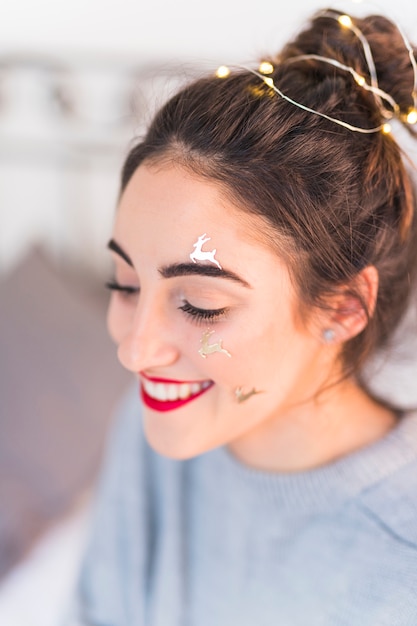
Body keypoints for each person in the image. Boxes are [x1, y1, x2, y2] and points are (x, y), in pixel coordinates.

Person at [70, 7, 417, 625]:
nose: (136, 350)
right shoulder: (161, 419)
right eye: (124, 284)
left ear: (344, 305)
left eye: (202, 306)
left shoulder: (401, 560)